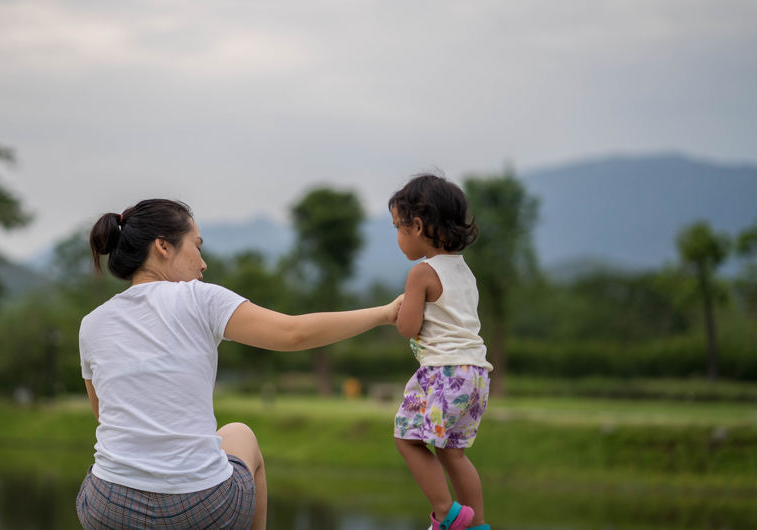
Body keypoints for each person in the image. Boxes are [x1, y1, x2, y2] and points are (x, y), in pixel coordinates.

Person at [75, 198, 403, 530]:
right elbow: (294, 334)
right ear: (163, 246)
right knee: (239, 432)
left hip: (108, 506)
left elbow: (104, 414)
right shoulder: (198, 297)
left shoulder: (91, 324)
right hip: (199, 506)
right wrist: (386, 313)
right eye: (196, 247)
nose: (202, 264)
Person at [389, 174, 492, 530]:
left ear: (417, 226)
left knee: (406, 438)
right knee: (454, 453)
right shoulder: (465, 271)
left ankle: (447, 513)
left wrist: (401, 308)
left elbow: (407, 327)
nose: (398, 239)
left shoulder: (422, 273)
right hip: (476, 374)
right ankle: (477, 524)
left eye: (398, 228)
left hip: (443, 372)